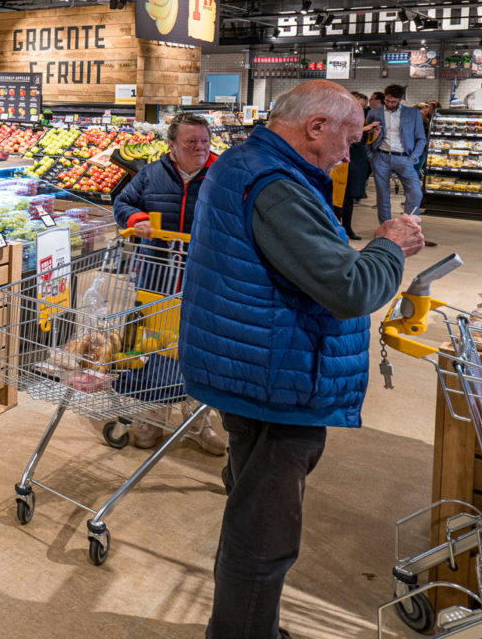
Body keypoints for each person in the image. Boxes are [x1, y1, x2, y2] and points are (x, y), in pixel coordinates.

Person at [179, 81, 425, 639]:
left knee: (251, 515)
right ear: (316, 127)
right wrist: (388, 245)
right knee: (264, 536)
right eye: (349, 139)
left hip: (257, 366)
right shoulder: (277, 186)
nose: (350, 154)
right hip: (277, 380)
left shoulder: (247, 162)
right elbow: (349, 288)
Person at [109, 111, 226, 454]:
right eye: (191, 142)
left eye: (205, 141)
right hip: (156, 277)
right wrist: (137, 219)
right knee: (154, 344)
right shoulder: (152, 173)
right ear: (172, 145)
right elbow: (123, 202)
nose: (200, 148)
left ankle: (198, 422)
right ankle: (154, 416)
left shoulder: (223, 175)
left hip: (203, 278)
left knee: (198, 349)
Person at [367, 84, 426, 224]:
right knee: (382, 195)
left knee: (415, 193)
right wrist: (370, 155)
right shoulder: (374, 113)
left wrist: (413, 157)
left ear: (400, 99)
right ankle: (385, 226)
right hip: (380, 156)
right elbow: (367, 136)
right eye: (387, 101)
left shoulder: (413, 113)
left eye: (393, 102)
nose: (390, 104)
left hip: (404, 158)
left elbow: (421, 139)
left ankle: (409, 225)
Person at [337, 91, 377, 241]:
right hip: (342, 160)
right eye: (359, 105)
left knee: (350, 196)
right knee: (338, 197)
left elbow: (362, 140)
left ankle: (347, 227)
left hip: (357, 159)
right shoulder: (339, 116)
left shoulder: (360, 120)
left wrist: (373, 133)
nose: (361, 108)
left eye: (363, 106)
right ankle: (336, 228)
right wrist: (366, 128)